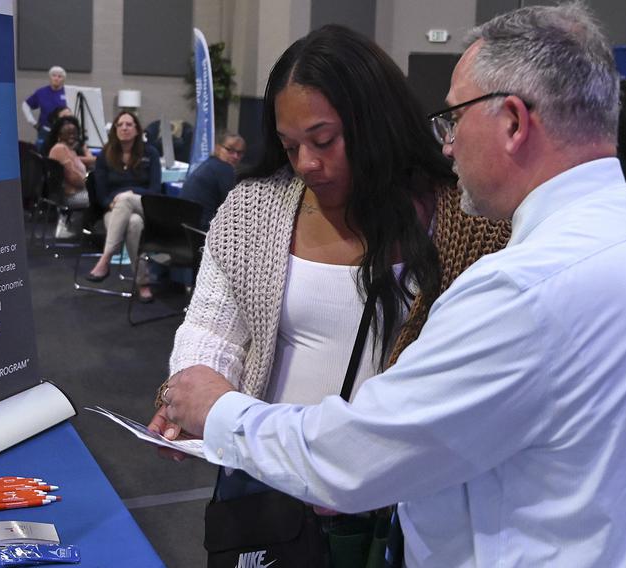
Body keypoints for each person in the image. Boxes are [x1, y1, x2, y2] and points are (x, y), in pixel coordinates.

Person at [162, 4, 626, 566]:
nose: (447, 144)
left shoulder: (517, 288)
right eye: (293, 147)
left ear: (512, 121)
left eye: (456, 120)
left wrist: (219, 413)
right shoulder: (620, 236)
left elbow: (356, 458)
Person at [147, 21, 508, 565]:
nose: (307, 164)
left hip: (402, 505)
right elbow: (212, 328)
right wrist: (192, 398)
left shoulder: (466, 216)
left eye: (324, 140)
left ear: (376, 122)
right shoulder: (253, 211)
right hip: (269, 490)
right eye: (291, 146)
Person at [86, 111, 161, 302]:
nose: (125, 128)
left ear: (137, 130)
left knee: (127, 201)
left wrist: (129, 194)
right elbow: (101, 195)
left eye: (129, 124)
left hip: (144, 205)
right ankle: (143, 282)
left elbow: (154, 190)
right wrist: (113, 201)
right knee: (133, 224)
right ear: (115, 129)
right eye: (120, 125)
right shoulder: (105, 155)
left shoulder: (150, 153)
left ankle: (105, 259)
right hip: (114, 209)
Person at [179, 131, 246, 230]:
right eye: (230, 150)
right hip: (204, 232)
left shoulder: (207, 164)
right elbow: (235, 209)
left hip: (185, 229)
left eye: (240, 153)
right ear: (217, 148)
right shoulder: (224, 169)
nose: (235, 156)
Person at [45, 116, 92, 210]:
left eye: (74, 133)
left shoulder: (70, 150)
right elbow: (74, 178)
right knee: (104, 198)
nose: (72, 136)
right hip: (70, 196)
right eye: (68, 133)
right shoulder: (60, 149)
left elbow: (88, 163)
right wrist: (90, 183)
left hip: (78, 192)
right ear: (59, 135)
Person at [22, 66, 68, 151]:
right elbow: (25, 105)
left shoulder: (68, 93)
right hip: (45, 131)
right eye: (54, 75)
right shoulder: (41, 92)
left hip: (63, 133)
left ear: (63, 79)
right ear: (50, 77)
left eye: (59, 76)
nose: (56, 78)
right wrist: (33, 122)